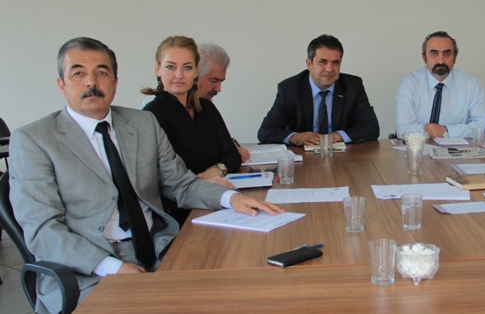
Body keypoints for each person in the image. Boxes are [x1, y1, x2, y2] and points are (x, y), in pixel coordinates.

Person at [8, 37, 283, 313]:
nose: (91, 82)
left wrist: (230, 198)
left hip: (160, 249)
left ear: (115, 82)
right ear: (62, 84)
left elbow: (181, 183)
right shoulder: (34, 140)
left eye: (102, 72)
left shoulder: (142, 123)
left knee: (244, 290)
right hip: (89, 272)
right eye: (78, 73)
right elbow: (43, 230)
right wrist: (113, 267)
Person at [142, 36, 240, 225]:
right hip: (180, 212)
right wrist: (198, 181)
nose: (179, 75)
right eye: (170, 67)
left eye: (187, 68)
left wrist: (216, 170)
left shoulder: (206, 107)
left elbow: (232, 155)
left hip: (217, 199)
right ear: (158, 69)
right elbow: (159, 180)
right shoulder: (151, 115)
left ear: (196, 71)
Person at [257, 34, 380, 145]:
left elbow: (371, 127)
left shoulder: (353, 86)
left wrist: (337, 136)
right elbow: (266, 131)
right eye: (322, 62)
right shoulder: (289, 89)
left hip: (342, 156)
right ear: (309, 64)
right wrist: (294, 137)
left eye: (335, 62)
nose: (330, 69)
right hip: (303, 157)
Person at [395, 31, 485, 139]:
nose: (441, 61)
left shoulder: (472, 84)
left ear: (454, 58)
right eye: (434, 54)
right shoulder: (409, 83)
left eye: (447, 54)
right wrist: (434, 132)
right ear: (424, 58)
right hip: (419, 147)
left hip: (459, 149)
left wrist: (446, 131)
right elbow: (403, 129)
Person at [197, 42, 251, 162]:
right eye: (213, 81)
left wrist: (230, 151)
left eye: (221, 82)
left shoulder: (207, 107)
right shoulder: (164, 110)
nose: (218, 89)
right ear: (194, 75)